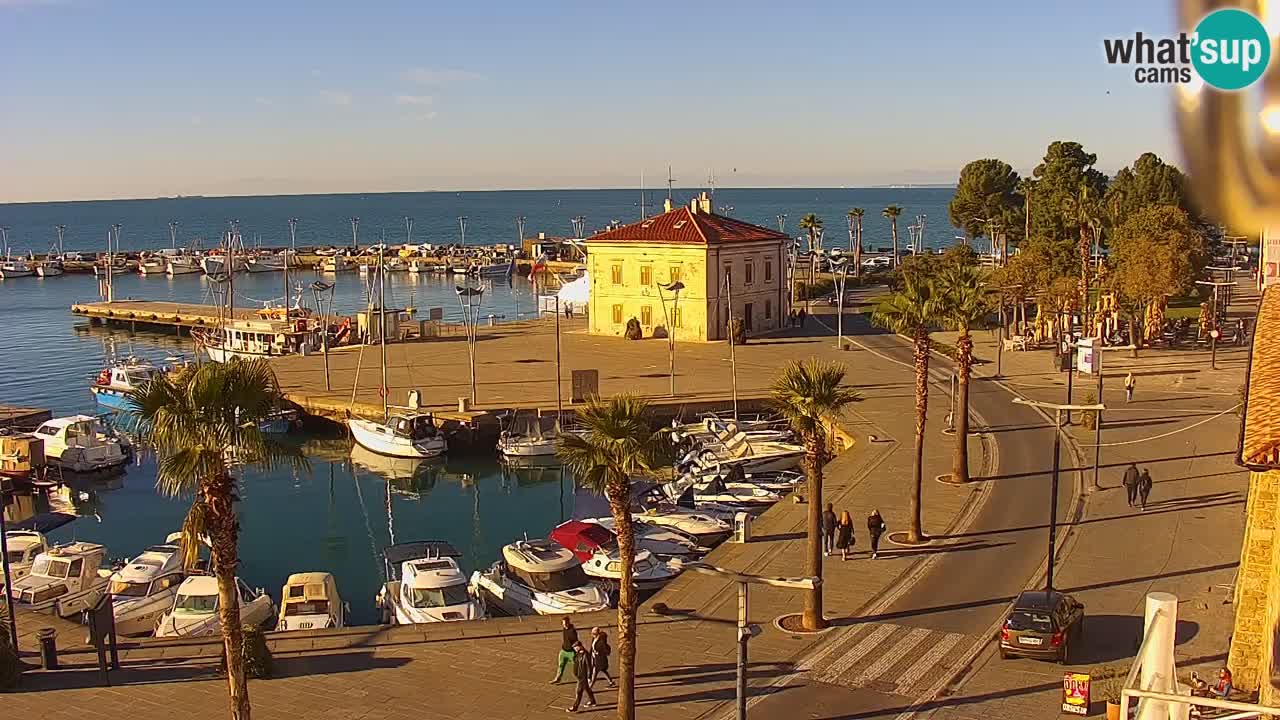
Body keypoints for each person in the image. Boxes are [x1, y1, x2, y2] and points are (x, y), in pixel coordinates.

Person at [567, 641, 597, 712]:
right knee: (587, 688)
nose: (575, 649)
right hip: (579, 675)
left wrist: (589, 677)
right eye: (574, 648)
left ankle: (575, 707)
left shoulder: (585, 655)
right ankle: (592, 701)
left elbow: (589, 666)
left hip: (583, 676)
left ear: (580, 646)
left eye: (576, 647)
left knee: (579, 692)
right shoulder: (578, 654)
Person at [551, 617, 579, 684]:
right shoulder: (564, 629)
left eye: (566, 623)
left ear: (569, 622)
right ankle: (557, 678)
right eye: (563, 624)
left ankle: (582, 678)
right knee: (561, 665)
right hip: (563, 651)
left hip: (571, 652)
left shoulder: (572, 631)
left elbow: (576, 641)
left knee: (576, 665)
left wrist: (574, 647)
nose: (564, 625)